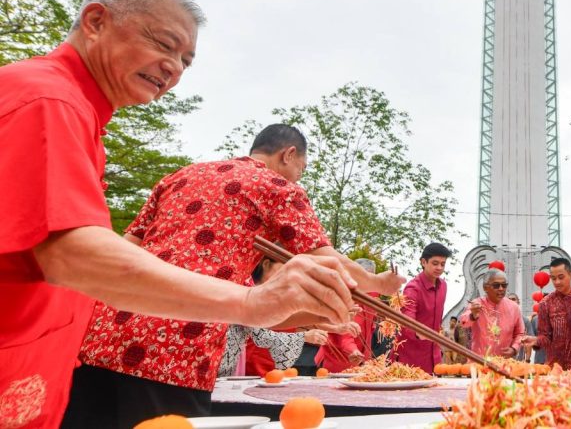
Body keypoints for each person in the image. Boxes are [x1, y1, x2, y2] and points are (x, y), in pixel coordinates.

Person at [0, 0, 363, 429]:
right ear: (95, 21)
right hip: (173, 347)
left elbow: (123, 246)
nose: (172, 67)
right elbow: (72, 252)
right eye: (164, 44)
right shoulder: (48, 100)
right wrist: (253, 301)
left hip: (94, 342)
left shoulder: (168, 168)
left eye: (185, 61)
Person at [65, 123, 401, 427]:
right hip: (178, 345)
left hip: (101, 333)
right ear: (288, 154)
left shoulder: (179, 176)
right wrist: (379, 283)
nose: (298, 177)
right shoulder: (277, 187)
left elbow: (123, 249)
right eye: (301, 168)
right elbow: (328, 261)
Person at [218, 256, 332, 377]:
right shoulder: (246, 288)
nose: (287, 277)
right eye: (284, 269)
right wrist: (304, 336)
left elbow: (289, 321)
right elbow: (261, 334)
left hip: (264, 359)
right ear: (266, 264)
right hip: (249, 359)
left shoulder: (280, 293)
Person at [315, 258, 380, 372]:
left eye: (370, 279)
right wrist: (353, 350)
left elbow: (370, 326)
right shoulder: (342, 295)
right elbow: (345, 332)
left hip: (362, 360)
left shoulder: (372, 296)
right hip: (335, 358)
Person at [394, 243, 451, 372]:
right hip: (411, 357)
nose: (439, 268)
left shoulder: (443, 286)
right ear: (423, 262)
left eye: (443, 264)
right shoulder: (412, 288)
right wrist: (420, 333)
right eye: (435, 263)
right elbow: (407, 321)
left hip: (434, 356)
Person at [519, 257, 571, 370]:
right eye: (553, 278)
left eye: (561, 277)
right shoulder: (546, 303)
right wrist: (535, 340)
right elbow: (545, 337)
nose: (557, 282)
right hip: (555, 366)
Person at [459, 270, 524, 358]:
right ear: (485, 288)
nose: (501, 289)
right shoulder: (476, 304)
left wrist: (514, 349)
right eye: (496, 285)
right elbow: (463, 323)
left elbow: (520, 333)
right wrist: (472, 316)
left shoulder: (514, 307)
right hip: (479, 360)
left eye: (504, 285)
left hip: (503, 361)